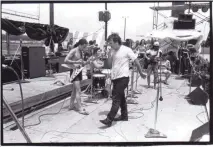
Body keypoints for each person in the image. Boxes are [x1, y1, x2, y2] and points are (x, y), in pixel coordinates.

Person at [99, 33, 146, 127]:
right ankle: (124, 116)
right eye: (109, 43)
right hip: (115, 77)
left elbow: (136, 60)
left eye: (111, 43)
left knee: (115, 98)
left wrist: (140, 72)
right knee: (121, 98)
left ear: (117, 42)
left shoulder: (126, 50)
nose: (110, 44)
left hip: (123, 77)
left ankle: (109, 119)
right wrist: (108, 53)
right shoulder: (112, 50)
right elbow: (108, 64)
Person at [64, 39, 89, 115]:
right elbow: (65, 60)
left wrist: (86, 62)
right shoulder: (74, 50)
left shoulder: (81, 52)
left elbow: (81, 63)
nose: (84, 48)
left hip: (79, 71)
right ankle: (80, 108)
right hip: (74, 71)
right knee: (78, 90)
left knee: (75, 90)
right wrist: (76, 62)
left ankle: (71, 105)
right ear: (80, 44)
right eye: (84, 47)